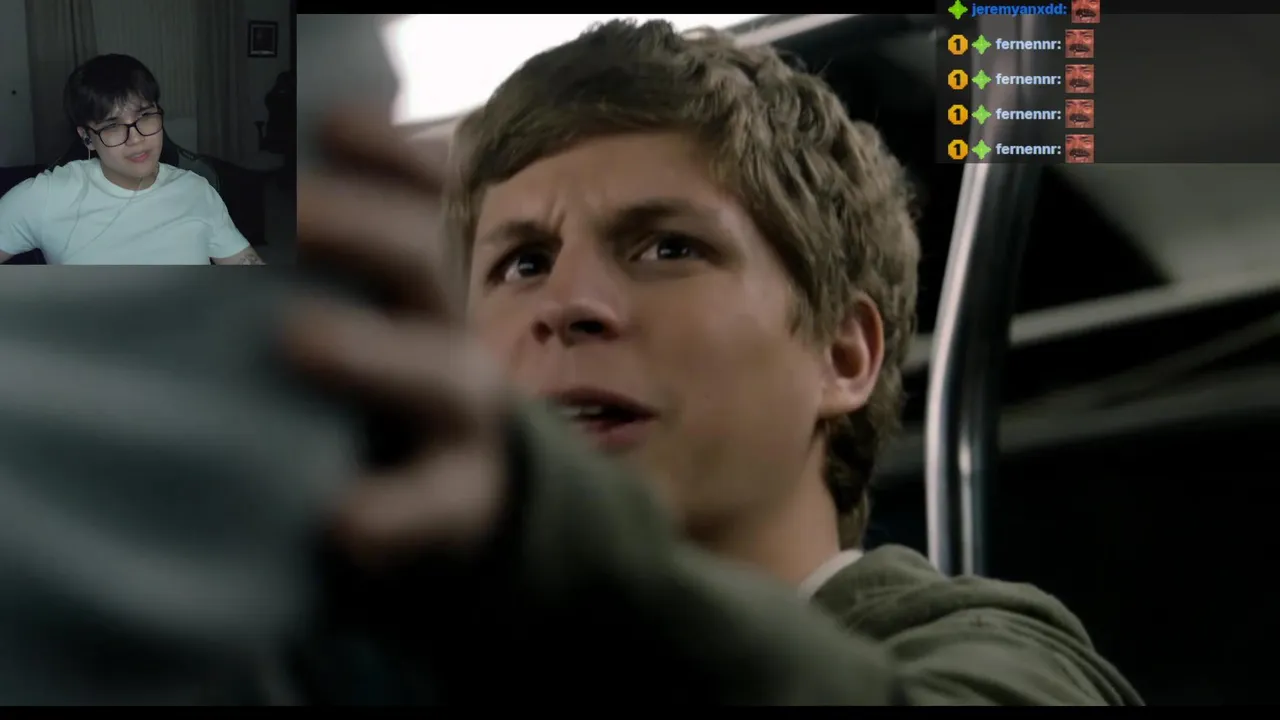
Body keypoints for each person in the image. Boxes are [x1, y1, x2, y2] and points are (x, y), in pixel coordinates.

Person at [281, 19, 1142, 705]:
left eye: (667, 248)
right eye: (524, 263)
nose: (567, 304)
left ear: (843, 356)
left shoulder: (1008, 662)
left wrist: (541, 526)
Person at [0, 54, 263, 265]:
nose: (136, 138)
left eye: (145, 116)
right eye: (112, 126)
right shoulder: (47, 196)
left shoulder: (196, 190)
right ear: (87, 138)